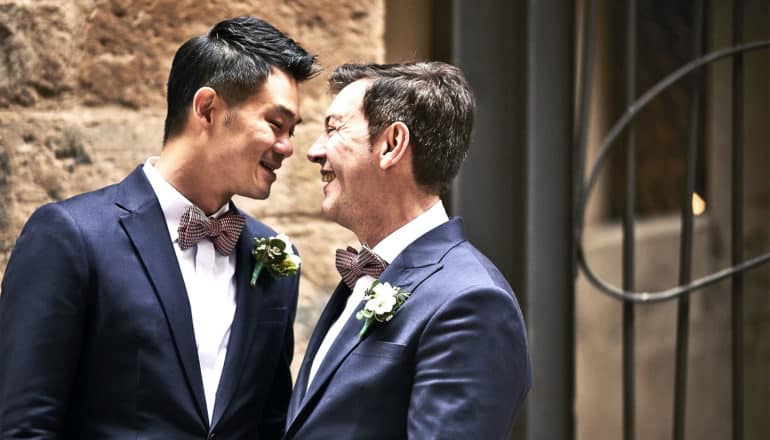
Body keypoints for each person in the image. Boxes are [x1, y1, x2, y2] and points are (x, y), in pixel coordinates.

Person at [0, 16, 316, 439]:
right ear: (207, 109)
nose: (288, 147)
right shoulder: (71, 236)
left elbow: (270, 423)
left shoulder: (274, 258)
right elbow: (24, 426)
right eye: (275, 124)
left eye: (292, 131)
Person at [285, 62, 531, 439]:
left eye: (333, 129)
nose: (314, 152)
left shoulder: (471, 302)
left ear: (391, 145)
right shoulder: (367, 276)